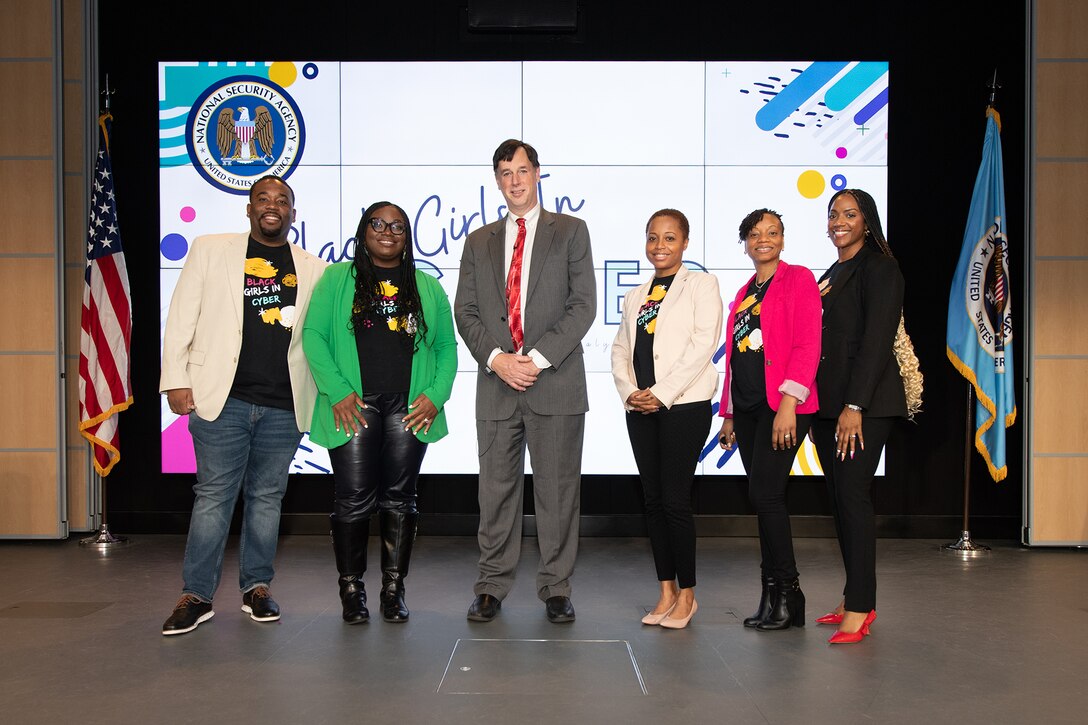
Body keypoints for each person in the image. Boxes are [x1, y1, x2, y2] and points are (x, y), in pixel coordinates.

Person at [159, 175, 327, 635]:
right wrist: (175, 379)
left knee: (268, 498)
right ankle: (196, 595)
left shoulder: (313, 268)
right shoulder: (211, 250)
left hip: (283, 404)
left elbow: (318, 337)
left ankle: (257, 588)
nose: (272, 206)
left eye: (282, 201)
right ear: (249, 208)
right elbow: (180, 318)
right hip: (221, 398)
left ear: (293, 212)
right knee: (214, 497)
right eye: (263, 199)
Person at [454, 139, 596, 623]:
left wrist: (533, 359)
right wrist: (497, 359)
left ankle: (556, 587)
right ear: (496, 180)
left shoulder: (571, 232)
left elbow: (583, 307)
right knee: (494, 492)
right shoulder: (479, 241)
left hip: (553, 382)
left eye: (521, 170)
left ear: (538, 174)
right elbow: (465, 311)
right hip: (496, 384)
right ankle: (491, 586)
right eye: (504, 172)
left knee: (557, 492)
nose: (513, 180)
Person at [302, 201, 457, 624]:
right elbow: (313, 337)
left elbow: (446, 349)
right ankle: (352, 589)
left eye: (398, 227)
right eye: (378, 224)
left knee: (400, 498)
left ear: (407, 237)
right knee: (352, 498)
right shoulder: (337, 279)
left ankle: (393, 589)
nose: (388, 232)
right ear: (363, 231)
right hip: (353, 405)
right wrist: (336, 391)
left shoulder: (427, 287)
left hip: (409, 408)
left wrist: (436, 395)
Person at [611, 209, 722, 629]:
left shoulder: (702, 285)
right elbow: (621, 348)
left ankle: (688, 596)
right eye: (653, 237)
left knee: (675, 500)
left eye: (670, 238)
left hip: (684, 406)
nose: (660, 246)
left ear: (686, 243)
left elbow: (701, 346)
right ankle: (665, 591)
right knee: (653, 501)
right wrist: (631, 392)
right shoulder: (636, 294)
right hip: (640, 409)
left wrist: (659, 393)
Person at [718, 209, 821, 631]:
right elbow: (735, 357)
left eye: (772, 232)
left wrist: (788, 404)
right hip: (745, 409)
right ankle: (772, 595)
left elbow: (807, 343)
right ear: (745, 242)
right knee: (762, 499)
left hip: (781, 406)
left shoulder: (798, 279)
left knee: (767, 495)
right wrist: (727, 414)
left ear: (783, 238)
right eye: (755, 234)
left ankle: (789, 592)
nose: (763, 239)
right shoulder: (744, 292)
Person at [812, 188, 906, 644]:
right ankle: (853, 597)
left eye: (849, 214)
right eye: (833, 214)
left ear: (867, 220)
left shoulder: (881, 268)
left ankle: (862, 606)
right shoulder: (833, 271)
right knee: (840, 500)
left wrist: (854, 406)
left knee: (853, 497)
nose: (838, 221)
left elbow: (875, 342)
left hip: (864, 407)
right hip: (828, 407)